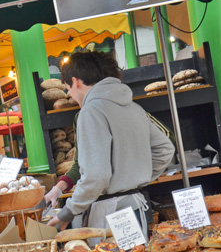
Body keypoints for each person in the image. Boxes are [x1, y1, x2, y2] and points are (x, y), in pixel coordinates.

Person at [47, 51, 175, 238]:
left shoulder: (90, 111)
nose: (71, 95)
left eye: (68, 88)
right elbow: (165, 149)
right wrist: (135, 177)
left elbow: (96, 175)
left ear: (76, 81)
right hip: (136, 205)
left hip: (109, 214)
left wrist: (69, 210)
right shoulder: (134, 108)